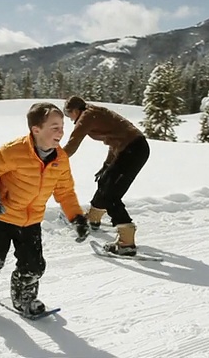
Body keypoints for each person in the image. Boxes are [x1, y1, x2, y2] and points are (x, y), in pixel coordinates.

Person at [0, 102, 89, 316]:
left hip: (31, 221)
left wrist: (77, 218)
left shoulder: (60, 160)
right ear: (36, 130)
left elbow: (65, 192)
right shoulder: (14, 151)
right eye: (54, 127)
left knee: (34, 267)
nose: (61, 131)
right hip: (3, 217)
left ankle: (23, 297)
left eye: (62, 126)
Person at [62, 96, 150, 257]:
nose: (70, 119)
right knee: (105, 180)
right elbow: (115, 140)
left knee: (111, 196)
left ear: (75, 111)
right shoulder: (94, 112)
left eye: (69, 115)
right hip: (129, 149)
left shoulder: (87, 116)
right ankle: (93, 218)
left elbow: (74, 141)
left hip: (134, 150)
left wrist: (54, 159)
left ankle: (126, 243)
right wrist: (107, 165)